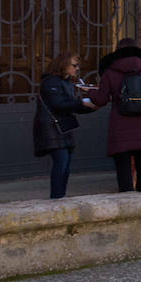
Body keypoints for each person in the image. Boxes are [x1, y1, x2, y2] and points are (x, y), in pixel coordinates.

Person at [90, 38, 141, 192]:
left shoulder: (110, 72)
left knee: (123, 170)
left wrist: (91, 91)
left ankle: (127, 206)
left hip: (120, 126)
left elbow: (100, 100)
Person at [32, 51, 94, 199]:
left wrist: (90, 107)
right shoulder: (50, 82)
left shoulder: (66, 83)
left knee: (65, 165)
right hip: (51, 128)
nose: (76, 68)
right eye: (74, 65)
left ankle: (60, 196)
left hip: (64, 127)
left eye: (77, 66)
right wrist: (82, 102)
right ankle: (57, 197)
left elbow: (70, 106)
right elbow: (58, 104)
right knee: (61, 162)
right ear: (63, 64)